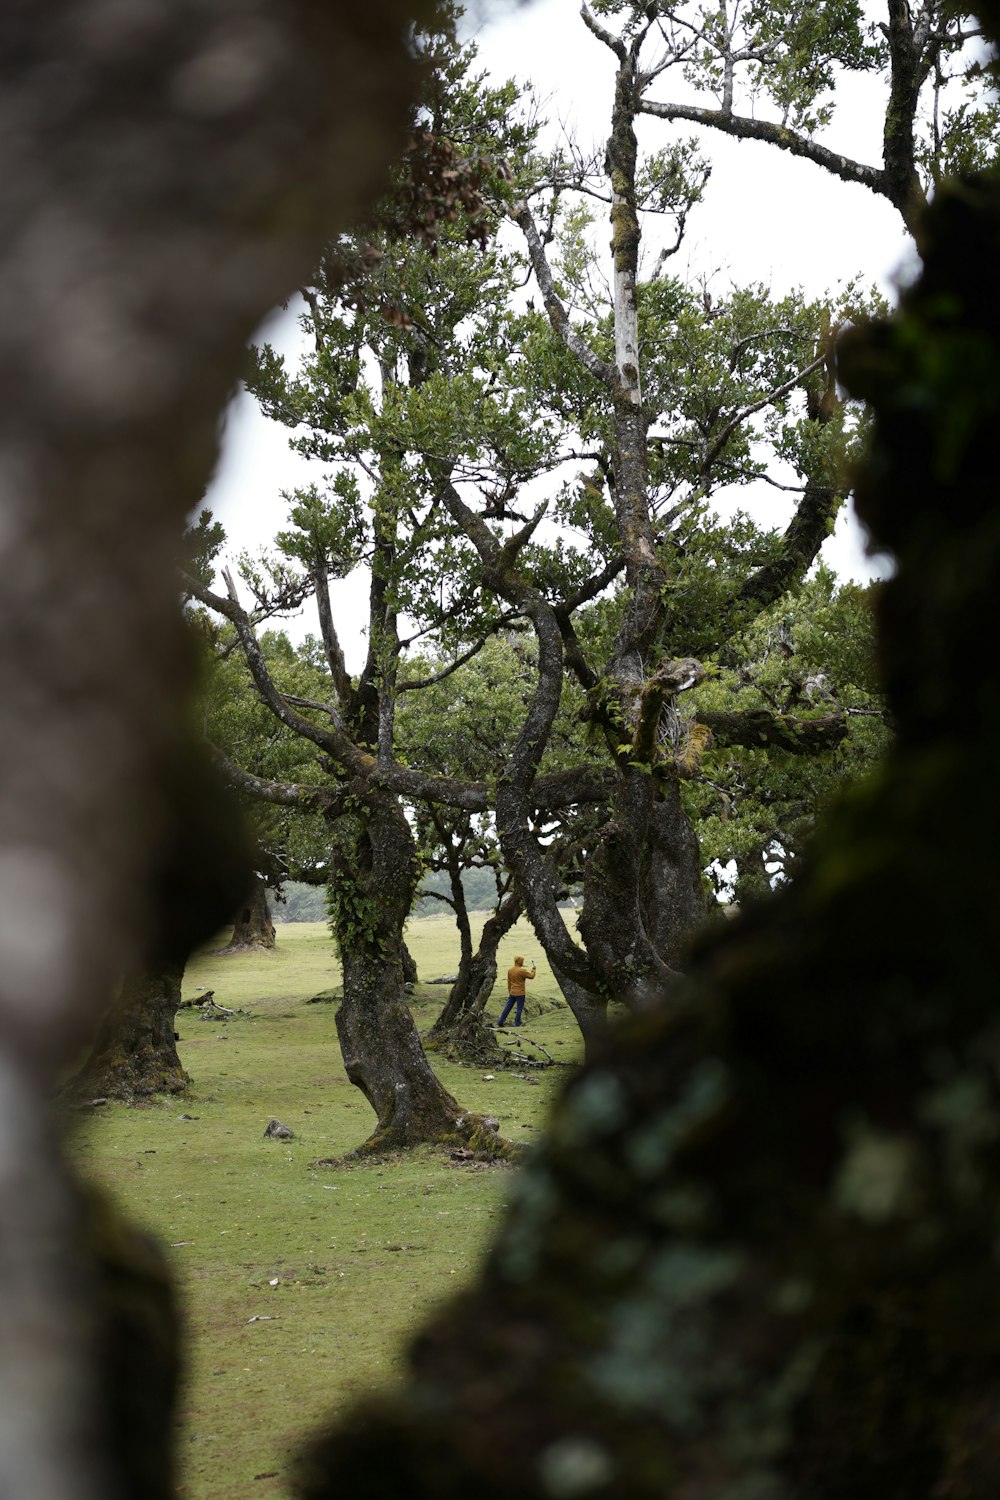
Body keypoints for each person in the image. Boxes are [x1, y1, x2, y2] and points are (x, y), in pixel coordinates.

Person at [498, 955, 536, 1028]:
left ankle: (500, 1021)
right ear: (520, 962)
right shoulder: (521, 971)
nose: (523, 962)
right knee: (519, 1008)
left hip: (512, 992)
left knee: (507, 1007)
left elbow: (509, 982)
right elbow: (531, 976)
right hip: (520, 993)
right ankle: (517, 1023)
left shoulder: (510, 970)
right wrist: (533, 969)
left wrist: (510, 991)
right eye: (522, 961)